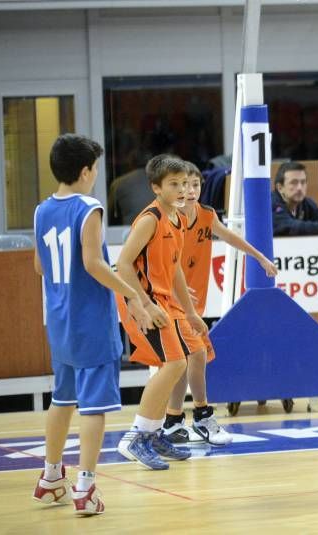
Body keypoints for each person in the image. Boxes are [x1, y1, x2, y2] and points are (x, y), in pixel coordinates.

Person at [32, 134, 151, 515]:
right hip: (90, 322)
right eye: (96, 168)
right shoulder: (89, 207)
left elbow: (39, 266)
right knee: (94, 406)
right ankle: (85, 487)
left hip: (60, 320)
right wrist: (132, 295)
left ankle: (52, 477)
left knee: (62, 399)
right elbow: (93, 264)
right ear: (85, 171)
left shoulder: (41, 210)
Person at [162, 162, 277, 444]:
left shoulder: (207, 215)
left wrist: (260, 257)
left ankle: (172, 421)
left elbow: (232, 238)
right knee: (196, 355)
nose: (189, 191)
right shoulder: (165, 221)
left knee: (183, 361)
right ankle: (201, 417)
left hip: (192, 304)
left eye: (195, 185)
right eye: (183, 185)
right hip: (171, 301)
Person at [114, 154, 209, 470]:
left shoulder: (179, 218)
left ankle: (153, 434)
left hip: (164, 302)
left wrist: (191, 312)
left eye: (185, 183)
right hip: (141, 302)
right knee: (174, 364)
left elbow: (176, 269)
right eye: (174, 184)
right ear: (156, 188)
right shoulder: (150, 219)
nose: (183, 190)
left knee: (177, 364)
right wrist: (141, 303)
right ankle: (136, 437)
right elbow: (123, 265)